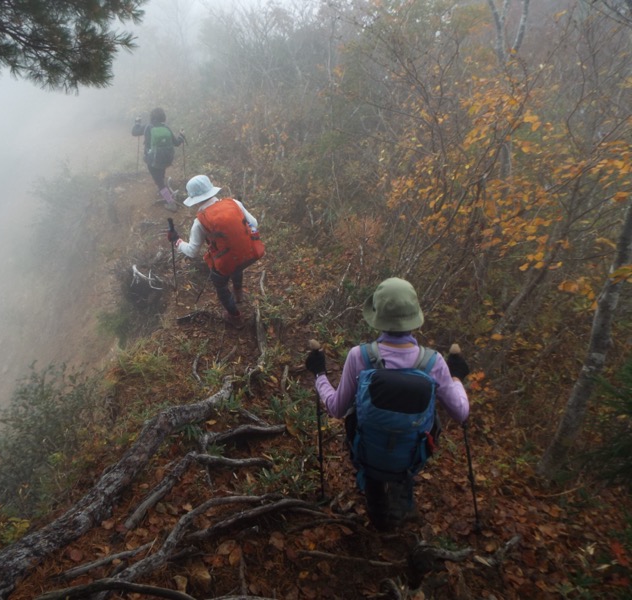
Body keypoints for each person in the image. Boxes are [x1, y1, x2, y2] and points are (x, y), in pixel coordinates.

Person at [305, 277, 470, 530]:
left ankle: (378, 509)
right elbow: (460, 413)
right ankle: (401, 498)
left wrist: (319, 375)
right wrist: (456, 377)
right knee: (419, 433)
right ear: (414, 317)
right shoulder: (434, 362)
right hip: (411, 457)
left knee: (363, 436)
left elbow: (336, 408)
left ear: (377, 316)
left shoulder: (359, 357)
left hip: (366, 452)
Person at [166, 175, 265, 328]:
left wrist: (177, 241)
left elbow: (192, 251)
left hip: (227, 262)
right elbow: (255, 223)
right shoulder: (234, 203)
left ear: (195, 199)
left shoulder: (200, 221)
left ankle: (235, 316)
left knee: (220, 284)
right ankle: (238, 293)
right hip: (250, 254)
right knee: (237, 263)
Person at [132, 107, 186, 212]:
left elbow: (134, 132)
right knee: (160, 174)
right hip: (166, 160)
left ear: (152, 117)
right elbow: (177, 143)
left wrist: (137, 122)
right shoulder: (166, 127)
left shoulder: (148, 127)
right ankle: (164, 190)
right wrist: (182, 136)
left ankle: (170, 202)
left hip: (152, 161)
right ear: (163, 117)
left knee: (159, 182)